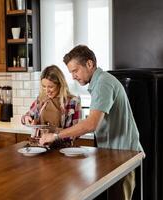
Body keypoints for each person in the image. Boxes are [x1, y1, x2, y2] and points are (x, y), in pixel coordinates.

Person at [39, 45, 144, 200]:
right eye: (71, 73)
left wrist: (56, 135)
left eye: (75, 71)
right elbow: (95, 120)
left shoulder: (103, 83)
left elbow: (91, 124)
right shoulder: (100, 82)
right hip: (116, 154)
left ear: (89, 64)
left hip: (122, 155)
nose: (73, 76)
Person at [21, 65, 81, 148]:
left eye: (50, 87)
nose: (47, 91)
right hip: (38, 147)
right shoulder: (41, 99)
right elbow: (26, 117)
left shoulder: (73, 102)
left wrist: (54, 133)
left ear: (60, 84)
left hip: (61, 149)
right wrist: (27, 118)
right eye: (44, 86)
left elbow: (76, 133)